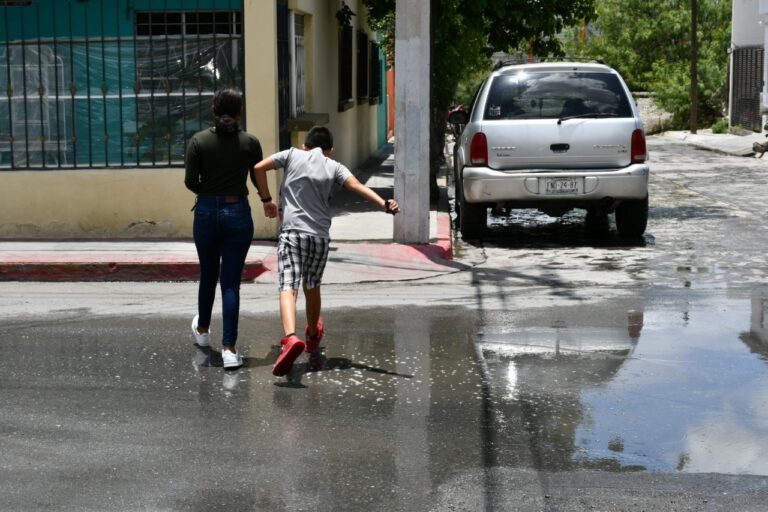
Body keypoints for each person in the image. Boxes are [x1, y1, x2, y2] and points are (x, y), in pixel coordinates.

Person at [252, 126, 400, 377]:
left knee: (288, 286)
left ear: (305, 146)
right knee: (312, 286)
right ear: (329, 150)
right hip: (319, 237)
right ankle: (311, 335)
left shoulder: (291, 154)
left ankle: (290, 338)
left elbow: (258, 168)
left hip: (292, 233)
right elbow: (357, 186)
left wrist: (266, 199)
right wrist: (384, 204)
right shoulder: (334, 166)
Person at [184, 87, 263, 369]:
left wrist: (210, 192)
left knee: (208, 273)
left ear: (213, 111)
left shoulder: (198, 141)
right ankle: (229, 349)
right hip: (238, 212)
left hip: (205, 211)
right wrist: (266, 200)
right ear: (239, 112)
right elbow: (257, 178)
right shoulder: (250, 143)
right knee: (230, 283)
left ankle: (203, 331)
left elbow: (191, 181)